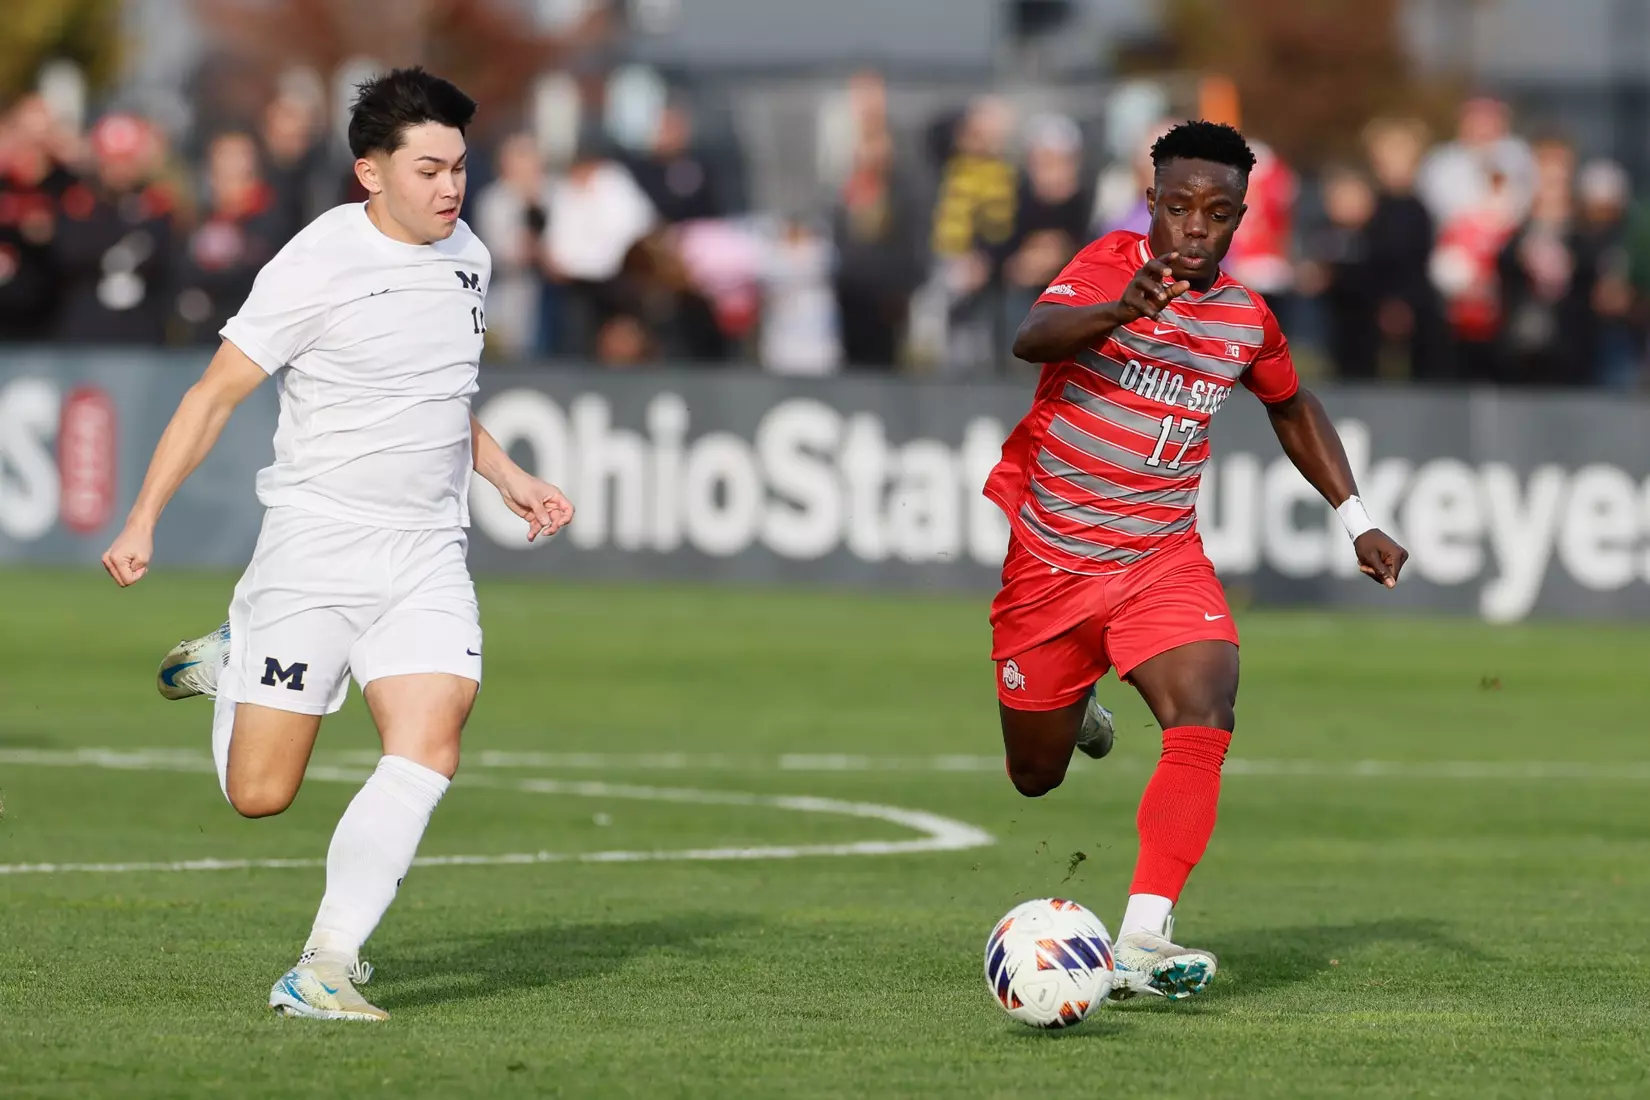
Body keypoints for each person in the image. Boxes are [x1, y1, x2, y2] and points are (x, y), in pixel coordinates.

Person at [99, 67, 575, 1022]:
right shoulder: (315, 264)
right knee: (260, 795)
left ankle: (325, 962)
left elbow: (441, 397)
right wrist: (143, 514)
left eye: (461, 168)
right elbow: (214, 396)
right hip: (314, 550)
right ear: (372, 173)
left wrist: (509, 475)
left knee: (431, 740)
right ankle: (236, 653)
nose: (451, 188)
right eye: (431, 169)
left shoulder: (469, 256)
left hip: (427, 551)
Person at [988, 121, 1408, 1002]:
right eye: (1178, 207)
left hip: (1159, 558)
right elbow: (1032, 336)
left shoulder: (1245, 316)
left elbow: (1293, 407)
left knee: (1206, 710)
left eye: (1216, 213)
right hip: (1054, 564)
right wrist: (1119, 309)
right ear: (1151, 205)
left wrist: (1356, 518)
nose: (1193, 226)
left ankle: (1144, 933)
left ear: (1239, 218)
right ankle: (1081, 708)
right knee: (1036, 776)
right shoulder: (1107, 266)